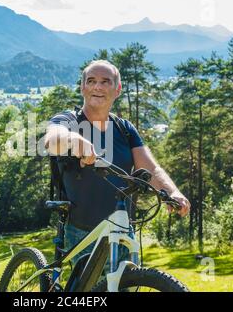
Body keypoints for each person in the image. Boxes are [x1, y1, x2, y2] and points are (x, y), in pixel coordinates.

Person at [44, 60, 190, 265]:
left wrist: (172, 192)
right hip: (82, 232)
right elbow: (52, 140)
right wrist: (73, 139)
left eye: (106, 81)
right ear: (82, 87)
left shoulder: (124, 129)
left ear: (117, 89)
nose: (98, 86)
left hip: (123, 230)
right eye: (91, 80)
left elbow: (150, 168)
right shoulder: (68, 120)